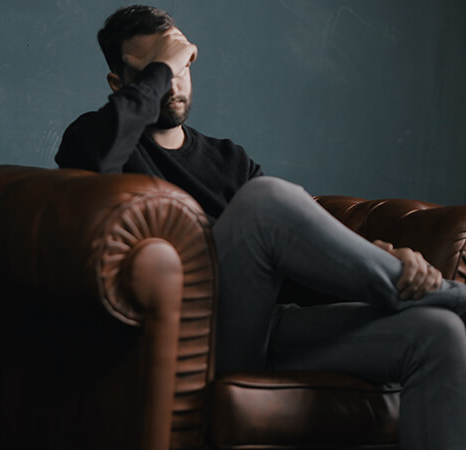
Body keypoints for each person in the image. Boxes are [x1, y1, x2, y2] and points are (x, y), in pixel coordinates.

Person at [55, 5, 466, 449]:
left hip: (266, 329)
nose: (173, 83)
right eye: (158, 70)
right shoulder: (95, 139)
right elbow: (94, 162)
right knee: (266, 199)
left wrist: (373, 257)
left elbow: (290, 266)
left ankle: (428, 296)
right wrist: (165, 64)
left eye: (182, 65)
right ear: (119, 84)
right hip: (195, 341)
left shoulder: (229, 159)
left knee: (438, 334)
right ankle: (451, 296)